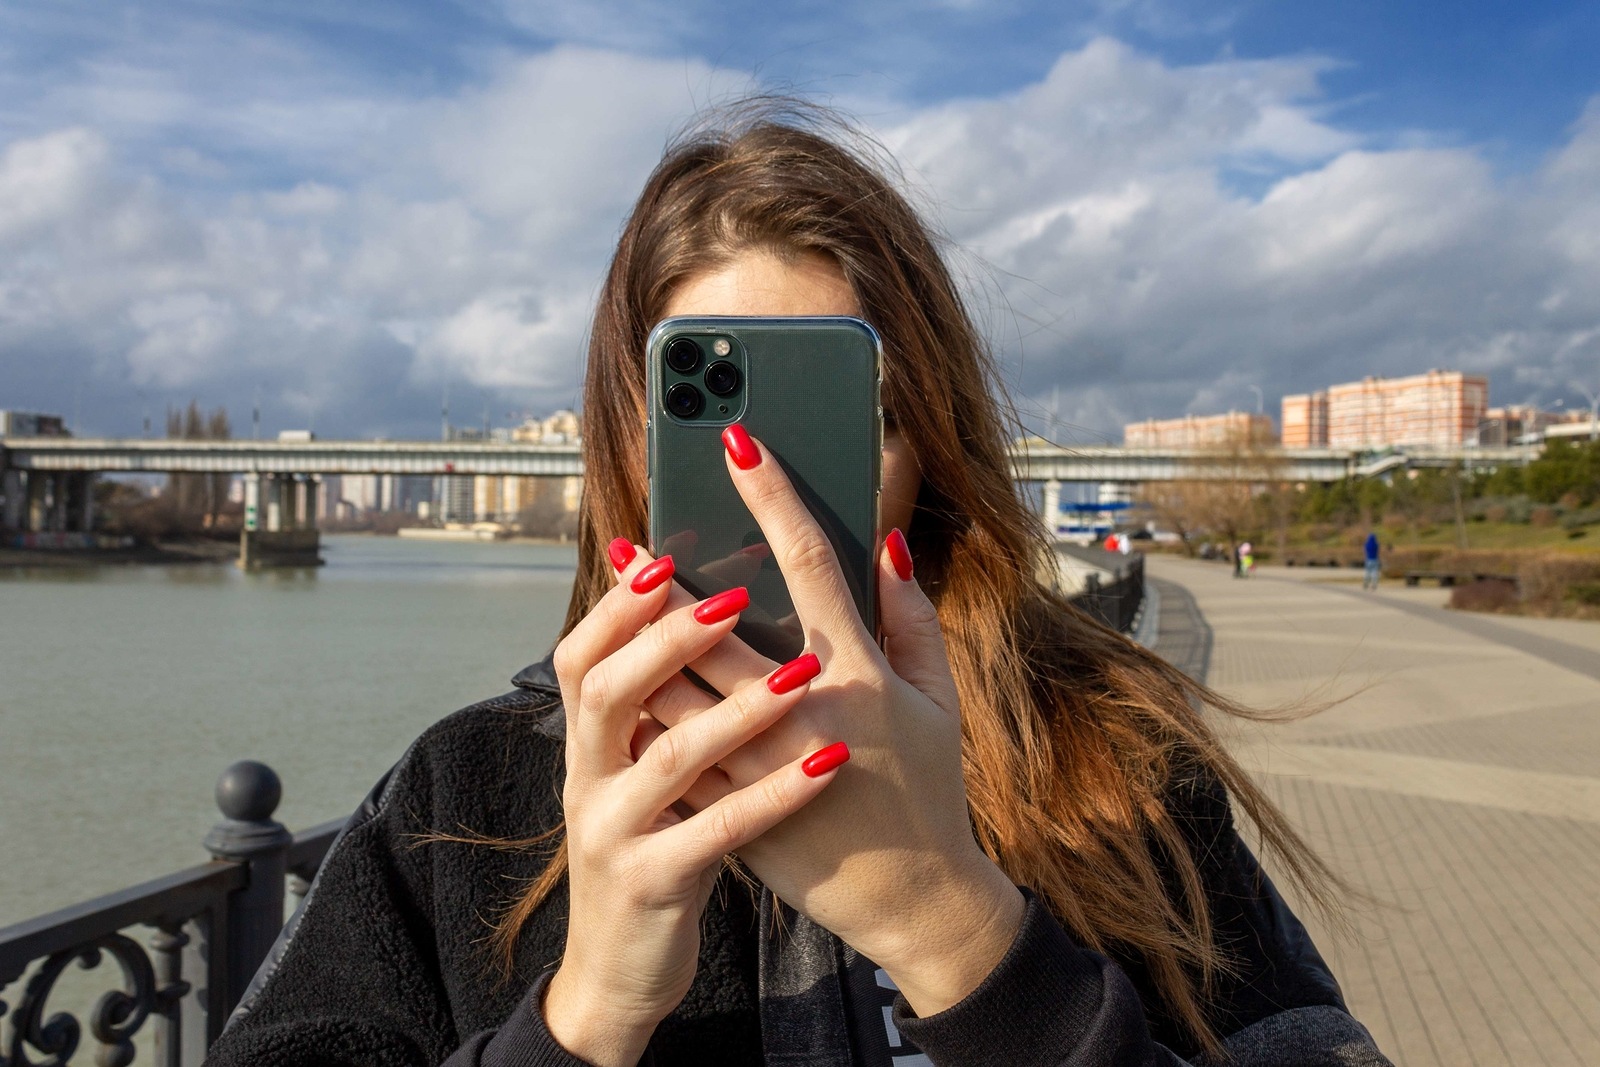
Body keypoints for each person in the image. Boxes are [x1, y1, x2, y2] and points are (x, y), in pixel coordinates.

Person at [206, 102, 1390, 1067]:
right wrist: (582, 1013)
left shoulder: (1110, 759)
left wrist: (962, 930)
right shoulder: (464, 796)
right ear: (627, 449)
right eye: (714, 427)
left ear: (927, 441)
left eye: (833, 422)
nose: (772, 491)